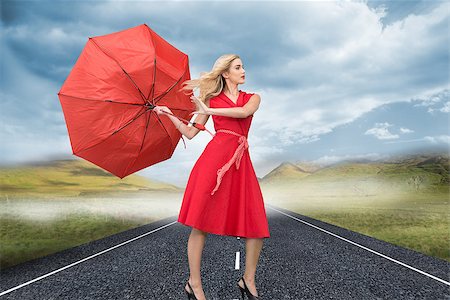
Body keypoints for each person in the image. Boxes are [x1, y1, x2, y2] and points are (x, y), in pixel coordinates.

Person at [154, 54, 270, 300]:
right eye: (238, 67)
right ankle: (194, 284)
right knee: (201, 223)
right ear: (226, 73)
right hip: (213, 161)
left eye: (243, 66)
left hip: (240, 163)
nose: (243, 70)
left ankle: (247, 280)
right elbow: (190, 132)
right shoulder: (210, 100)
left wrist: (209, 108)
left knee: (256, 224)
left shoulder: (252, 98)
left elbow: (243, 112)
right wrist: (168, 115)